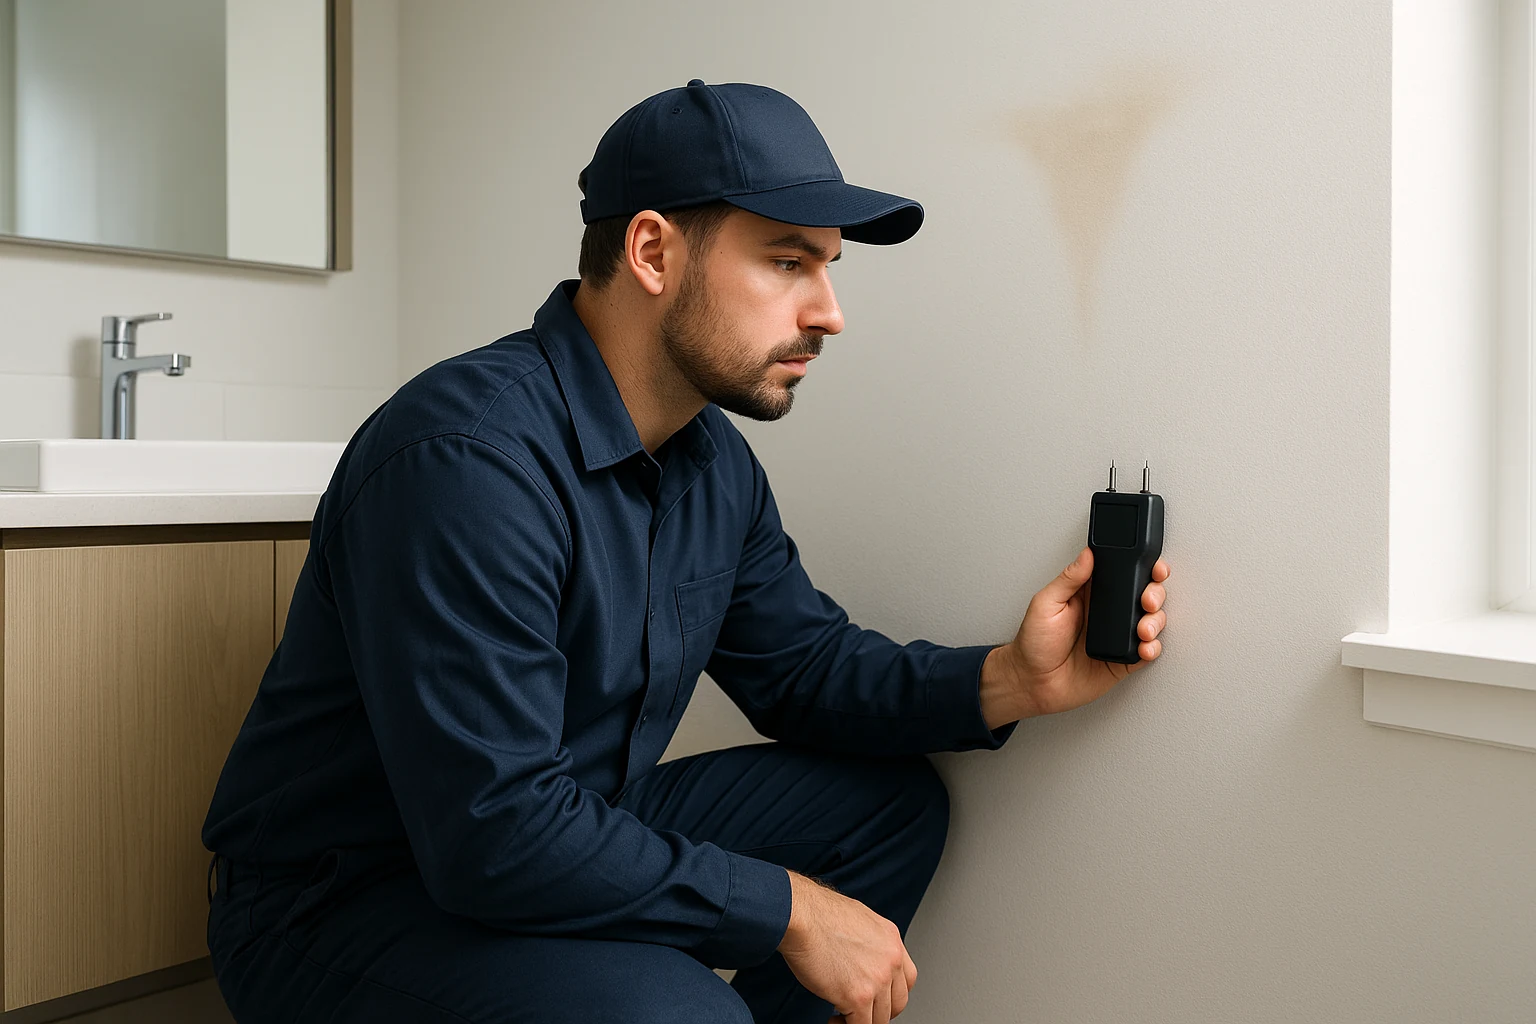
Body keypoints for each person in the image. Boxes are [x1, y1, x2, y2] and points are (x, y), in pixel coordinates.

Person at [201, 79, 1171, 1024]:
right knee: (683, 1011)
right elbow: (490, 834)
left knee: (886, 808)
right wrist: (788, 910)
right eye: (789, 263)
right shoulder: (463, 463)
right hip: (356, 900)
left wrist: (1013, 678)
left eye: (830, 267)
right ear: (653, 251)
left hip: (561, 826)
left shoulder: (711, 463)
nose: (829, 310)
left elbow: (806, 670)